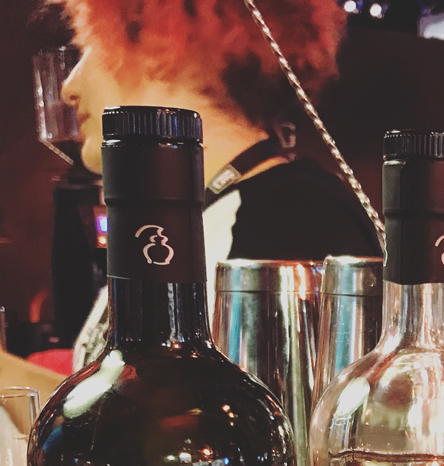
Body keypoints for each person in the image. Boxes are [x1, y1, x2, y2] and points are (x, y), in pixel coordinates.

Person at [56, 0, 382, 370]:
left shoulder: (298, 218)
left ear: (165, 42)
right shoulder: (209, 217)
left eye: (88, 48)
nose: (69, 87)